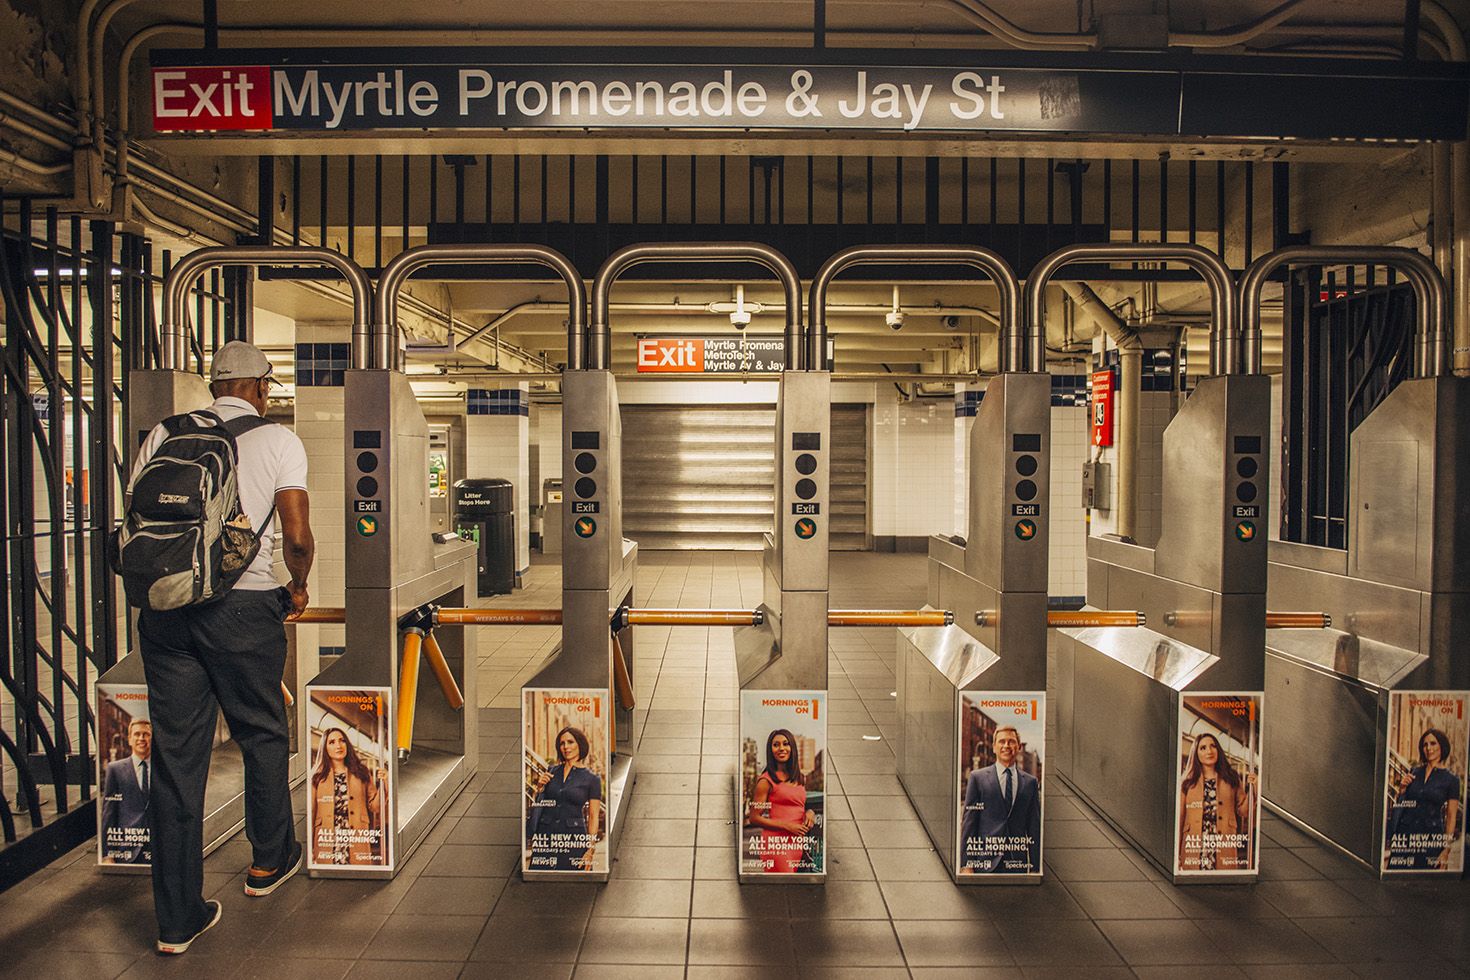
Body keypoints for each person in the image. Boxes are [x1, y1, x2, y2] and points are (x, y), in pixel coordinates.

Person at [131, 340, 314, 954]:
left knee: (178, 758)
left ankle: (177, 918)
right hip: (243, 606)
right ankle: (269, 861)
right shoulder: (277, 441)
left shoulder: (163, 434)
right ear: (260, 387)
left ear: (215, 385)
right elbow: (297, 531)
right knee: (262, 728)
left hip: (168, 611)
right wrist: (298, 584)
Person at [959, 725, 1041, 873]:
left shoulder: (1030, 783)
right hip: (984, 865)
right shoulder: (977, 778)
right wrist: (966, 865)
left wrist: (1035, 868)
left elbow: (1034, 828)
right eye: (1002, 742)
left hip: (1017, 865)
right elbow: (969, 824)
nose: (1006, 746)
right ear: (994, 747)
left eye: (1011, 741)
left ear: (1018, 746)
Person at [527, 726, 603, 871]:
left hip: (573, 839)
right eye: (562, 743)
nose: (566, 747)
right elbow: (540, 803)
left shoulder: (592, 779)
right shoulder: (551, 771)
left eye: (570, 742)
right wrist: (540, 788)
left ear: (580, 744)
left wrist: (590, 850)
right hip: (546, 836)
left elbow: (593, 817)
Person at [1178, 732, 1256, 871]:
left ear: (1218, 750)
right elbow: (1179, 820)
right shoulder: (1187, 783)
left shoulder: (1231, 778)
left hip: (1223, 844)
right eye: (1203, 748)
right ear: (1196, 754)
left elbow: (1244, 811)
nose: (1209, 751)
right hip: (1195, 846)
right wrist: (1176, 855)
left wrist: (1254, 789)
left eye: (1213, 746)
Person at [1386, 728, 1462, 870]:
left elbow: (1451, 816)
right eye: (1425, 745)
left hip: (1431, 839)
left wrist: (1446, 850)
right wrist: (1402, 789)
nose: (1429, 748)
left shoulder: (1452, 780)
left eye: (1433, 744)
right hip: (1406, 837)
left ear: (1442, 746)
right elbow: (1402, 803)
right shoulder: (1414, 772)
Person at [310, 727, 387, 866]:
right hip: (327, 838)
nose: (338, 745)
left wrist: (385, 784)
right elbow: (311, 812)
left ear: (347, 745)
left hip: (356, 835)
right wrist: (310, 848)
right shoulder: (317, 776)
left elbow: (375, 806)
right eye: (332, 742)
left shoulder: (361, 772)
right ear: (325, 748)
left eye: (342, 741)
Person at [745, 729, 816, 874]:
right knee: (783, 889)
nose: (781, 748)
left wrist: (810, 812)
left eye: (785, 744)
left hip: (797, 843)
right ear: (771, 750)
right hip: (776, 844)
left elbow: (801, 805)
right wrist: (787, 826)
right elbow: (754, 817)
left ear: (792, 748)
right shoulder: (765, 781)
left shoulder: (800, 778)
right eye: (776, 745)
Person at [100, 718, 153, 864]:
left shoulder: (163, 769)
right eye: (137, 734)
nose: (141, 738)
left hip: (157, 850)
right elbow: (109, 812)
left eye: (146, 734)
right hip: (126, 851)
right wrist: (107, 855)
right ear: (129, 739)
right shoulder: (115, 769)